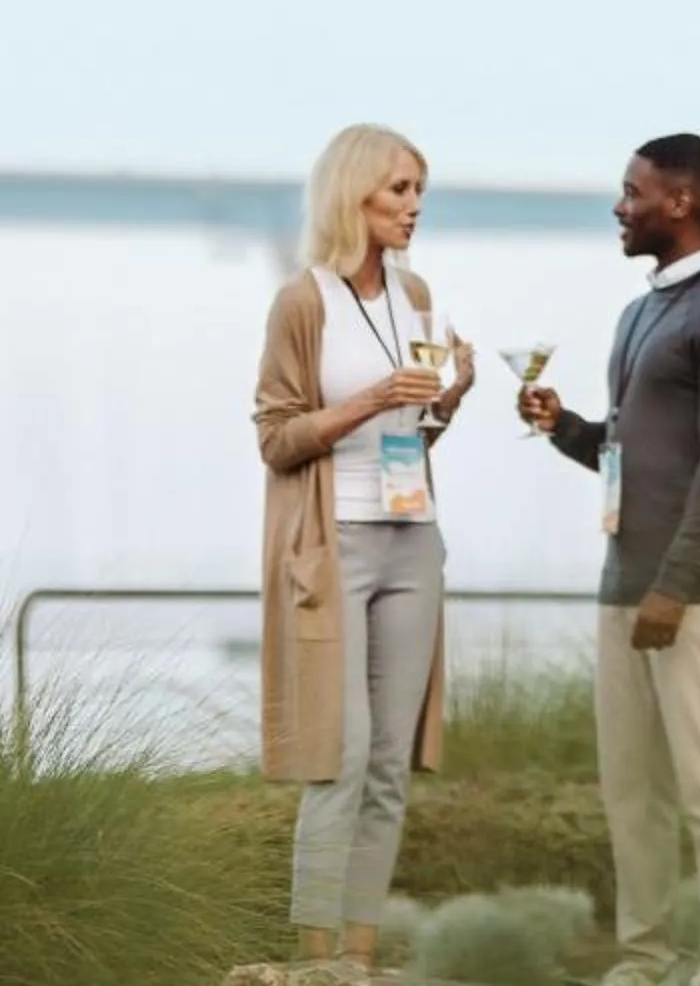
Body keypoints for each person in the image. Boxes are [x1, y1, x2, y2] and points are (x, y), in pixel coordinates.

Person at [517, 135, 700, 986]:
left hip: (694, 593)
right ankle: (643, 960)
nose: (618, 206)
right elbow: (627, 452)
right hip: (622, 585)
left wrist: (674, 587)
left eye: (632, 192)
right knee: (633, 794)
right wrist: (563, 426)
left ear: (682, 202)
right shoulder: (640, 313)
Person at [253, 123, 477, 982]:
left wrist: (448, 397)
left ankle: (359, 958)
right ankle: (314, 964)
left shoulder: (417, 295)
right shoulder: (301, 302)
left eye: (420, 191)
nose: (414, 207)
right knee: (338, 756)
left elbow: (413, 437)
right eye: (398, 192)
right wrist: (373, 396)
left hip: (412, 540)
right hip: (332, 545)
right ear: (354, 196)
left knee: (388, 763)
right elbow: (276, 439)